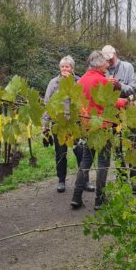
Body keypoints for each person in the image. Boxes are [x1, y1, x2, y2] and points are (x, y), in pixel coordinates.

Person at [71, 50, 128, 210]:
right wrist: (126, 102)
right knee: (103, 163)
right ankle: (100, 200)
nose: (108, 64)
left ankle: (76, 197)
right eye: (105, 62)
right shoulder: (102, 81)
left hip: (88, 126)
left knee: (86, 161)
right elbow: (110, 103)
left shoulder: (81, 81)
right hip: (103, 127)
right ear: (98, 63)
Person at [44, 56, 84, 193]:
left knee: (80, 151)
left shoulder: (79, 82)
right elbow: (47, 103)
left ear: (72, 69)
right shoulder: (53, 83)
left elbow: (83, 101)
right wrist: (45, 124)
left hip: (75, 123)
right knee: (61, 153)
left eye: (67, 67)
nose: (65, 69)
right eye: (62, 67)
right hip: (59, 124)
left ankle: (83, 179)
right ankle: (61, 180)